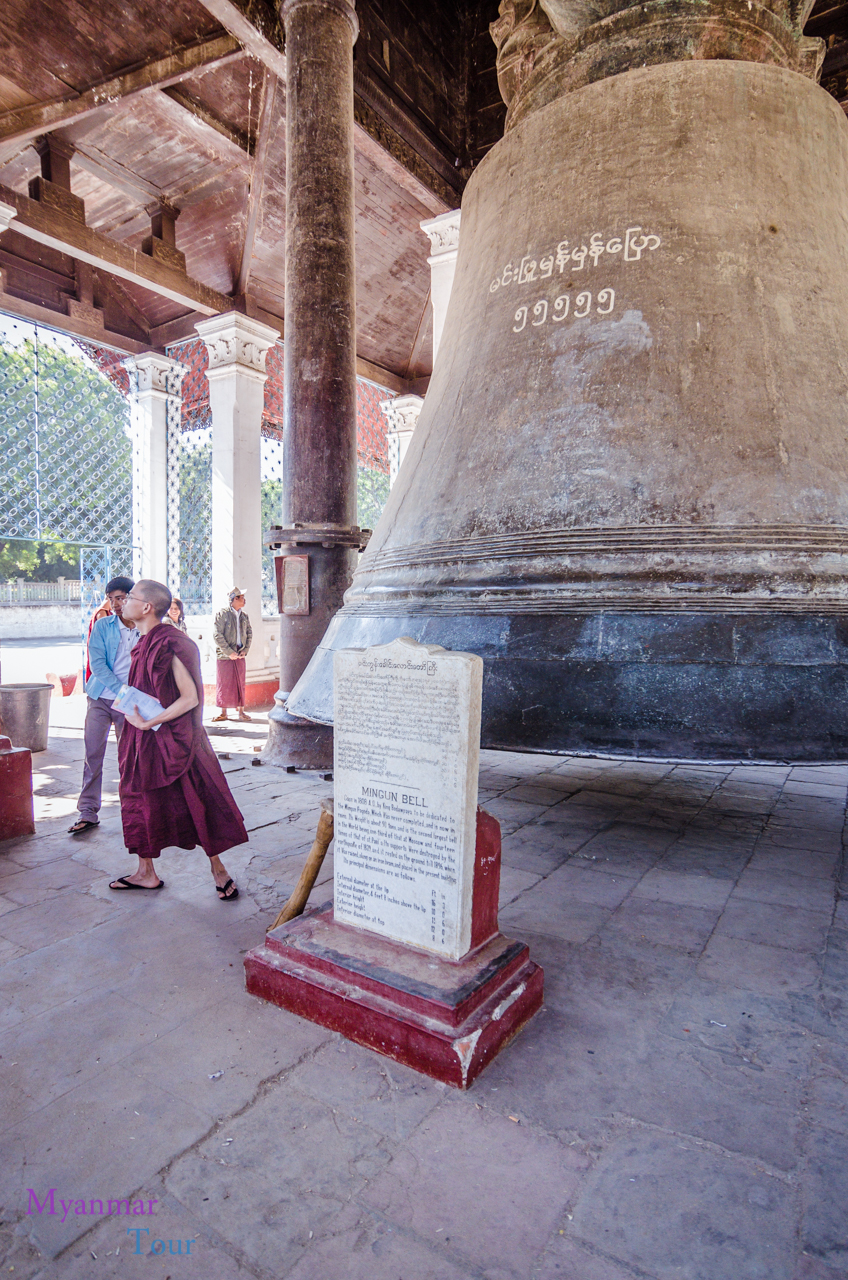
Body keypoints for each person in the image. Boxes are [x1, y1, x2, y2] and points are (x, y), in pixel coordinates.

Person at [109, 578, 247, 900]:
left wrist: (150, 721)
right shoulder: (142, 641)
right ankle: (146, 872)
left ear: (145, 607)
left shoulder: (171, 642)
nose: (122, 602)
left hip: (174, 738)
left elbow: (190, 699)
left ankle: (219, 869)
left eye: (129, 597)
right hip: (142, 736)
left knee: (197, 799)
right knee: (138, 799)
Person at [68, 576, 138, 836]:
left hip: (130, 703)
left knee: (129, 758)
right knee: (92, 754)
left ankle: (133, 810)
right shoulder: (102, 626)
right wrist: (121, 689)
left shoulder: (146, 629)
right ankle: (88, 812)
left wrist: (130, 694)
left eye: (121, 598)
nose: (116, 604)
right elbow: (97, 665)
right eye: (111, 599)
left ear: (133, 598)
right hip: (100, 698)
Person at [212, 588, 252, 723]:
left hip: (240, 654)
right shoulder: (222, 615)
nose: (244, 600)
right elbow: (217, 635)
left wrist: (245, 650)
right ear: (235, 599)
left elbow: (249, 633)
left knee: (240, 682)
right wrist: (229, 652)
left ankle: (241, 711)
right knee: (224, 682)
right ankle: (223, 712)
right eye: (242, 597)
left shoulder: (244, 616)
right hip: (225, 655)